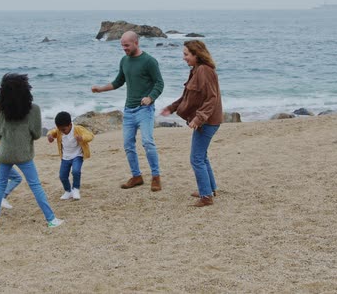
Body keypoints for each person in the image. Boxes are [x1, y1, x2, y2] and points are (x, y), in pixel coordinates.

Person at [91, 31, 164, 192]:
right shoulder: (124, 60)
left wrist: (150, 98)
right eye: (122, 45)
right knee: (128, 145)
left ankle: (156, 176)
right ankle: (136, 176)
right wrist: (100, 89)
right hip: (129, 110)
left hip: (145, 109)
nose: (124, 48)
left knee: (147, 142)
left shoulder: (149, 61)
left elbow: (159, 84)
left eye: (126, 45)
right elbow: (118, 82)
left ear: (136, 42)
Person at [0, 73, 63, 230]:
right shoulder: (34, 109)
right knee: (35, 185)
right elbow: (36, 134)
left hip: (5, 154)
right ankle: (51, 219)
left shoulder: (4, 110)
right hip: (24, 155)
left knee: (0, 185)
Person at [160, 40, 223, 207]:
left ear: (197, 55)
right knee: (201, 157)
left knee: (196, 159)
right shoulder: (196, 70)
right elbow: (186, 97)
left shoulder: (204, 71)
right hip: (206, 121)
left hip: (208, 121)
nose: (184, 58)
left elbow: (211, 98)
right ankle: (210, 189)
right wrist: (171, 108)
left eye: (186, 54)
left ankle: (206, 196)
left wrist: (198, 118)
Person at [47, 111, 94, 200]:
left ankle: (75, 189)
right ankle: (68, 191)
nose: (62, 132)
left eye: (64, 129)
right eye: (60, 129)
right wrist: (50, 136)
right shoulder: (59, 131)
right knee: (62, 176)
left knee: (76, 171)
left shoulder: (78, 129)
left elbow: (90, 135)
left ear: (69, 125)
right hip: (65, 157)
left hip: (77, 155)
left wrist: (82, 138)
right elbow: (52, 131)